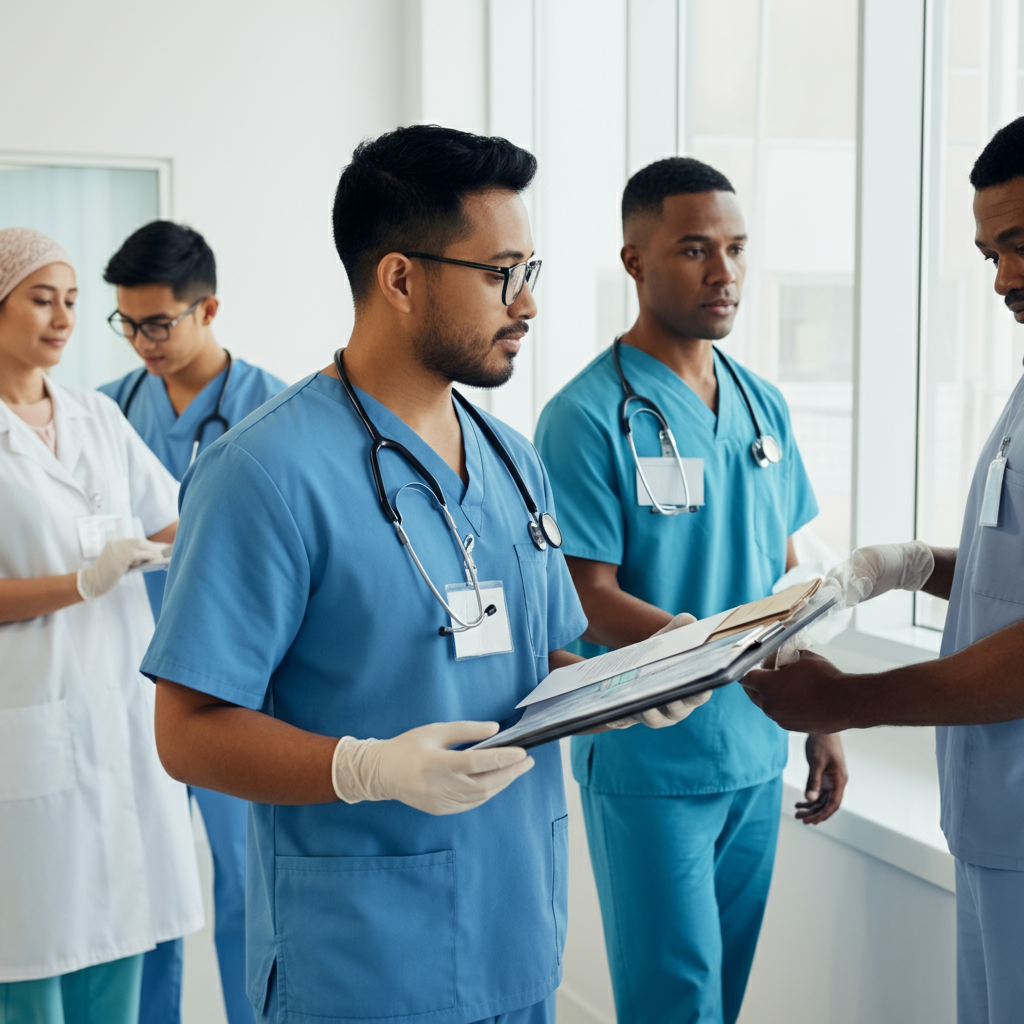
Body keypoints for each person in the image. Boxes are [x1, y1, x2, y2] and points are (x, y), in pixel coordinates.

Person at [138, 126, 703, 1024]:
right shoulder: (265, 473)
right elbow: (187, 730)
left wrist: (619, 685)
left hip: (517, 937)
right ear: (401, 278)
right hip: (361, 963)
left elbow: (529, 668)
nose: (525, 304)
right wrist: (364, 769)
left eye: (531, 272)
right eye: (499, 274)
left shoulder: (513, 460)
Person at [534, 157, 848, 1024]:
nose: (726, 273)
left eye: (737, 249)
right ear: (635, 260)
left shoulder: (764, 407)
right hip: (648, 754)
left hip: (755, 749)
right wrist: (703, 651)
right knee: (674, 997)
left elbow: (790, 577)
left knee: (725, 993)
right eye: (696, 249)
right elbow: (583, 588)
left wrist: (822, 714)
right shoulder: (586, 415)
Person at [742, 115, 1024, 1024]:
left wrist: (849, 702)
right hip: (994, 819)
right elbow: (1004, 573)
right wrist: (903, 566)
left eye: (1022, 245)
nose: (1004, 280)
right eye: (989, 255)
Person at [0, 227, 203, 1023]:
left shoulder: (94, 416)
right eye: (42, 300)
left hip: (119, 707)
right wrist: (82, 582)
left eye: (73, 303)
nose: (62, 319)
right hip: (27, 716)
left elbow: (172, 521)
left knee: (120, 939)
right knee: (31, 959)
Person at [99, 220, 285, 1024]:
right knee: (145, 890)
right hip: (124, 682)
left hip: (229, 686)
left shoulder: (273, 412)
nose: (142, 341)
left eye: (158, 323)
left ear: (209, 309)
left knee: (248, 886)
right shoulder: (105, 412)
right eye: (128, 323)